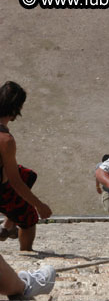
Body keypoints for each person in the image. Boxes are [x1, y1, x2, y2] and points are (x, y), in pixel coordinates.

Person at [0, 81, 53, 251]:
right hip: (2, 190)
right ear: (16, 109)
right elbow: (15, 183)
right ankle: (26, 257)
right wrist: (39, 205)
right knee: (28, 219)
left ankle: (8, 225)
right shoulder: (6, 141)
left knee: (28, 175)